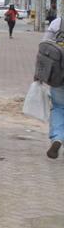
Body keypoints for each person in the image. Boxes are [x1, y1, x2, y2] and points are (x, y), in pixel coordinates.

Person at [40, 15, 64, 159]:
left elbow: (44, 46)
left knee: (59, 108)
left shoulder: (58, 23)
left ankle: (57, 138)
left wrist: (40, 73)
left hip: (58, 75)